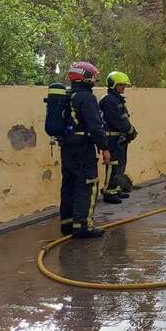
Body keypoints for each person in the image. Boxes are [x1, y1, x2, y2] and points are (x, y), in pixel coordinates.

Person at [60, 62, 110, 238]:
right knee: (88, 184)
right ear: (85, 77)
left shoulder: (67, 96)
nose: (94, 80)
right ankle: (83, 226)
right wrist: (104, 147)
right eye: (93, 77)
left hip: (67, 148)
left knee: (69, 184)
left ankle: (67, 223)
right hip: (83, 148)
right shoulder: (87, 98)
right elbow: (96, 126)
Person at [99, 71, 138, 204]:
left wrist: (129, 132)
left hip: (119, 138)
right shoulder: (109, 100)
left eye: (124, 85)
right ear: (113, 85)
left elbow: (124, 118)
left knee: (120, 165)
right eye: (121, 85)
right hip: (112, 139)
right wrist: (131, 131)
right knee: (113, 165)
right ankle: (109, 192)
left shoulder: (116, 99)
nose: (123, 87)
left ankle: (116, 189)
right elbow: (117, 121)